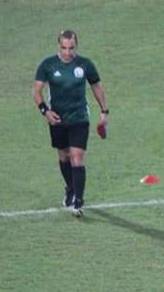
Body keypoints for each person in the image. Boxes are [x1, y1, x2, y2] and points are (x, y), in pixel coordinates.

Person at [33, 29, 109, 217]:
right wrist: (45, 111)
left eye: (71, 48)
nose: (68, 52)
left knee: (76, 157)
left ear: (76, 46)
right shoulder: (48, 65)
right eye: (64, 48)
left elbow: (96, 86)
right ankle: (70, 189)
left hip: (79, 118)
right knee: (64, 157)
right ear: (59, 46)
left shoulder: (85, 64)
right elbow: (36, 91)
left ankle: (78, 202)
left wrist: (104, 111)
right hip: (57, 119)